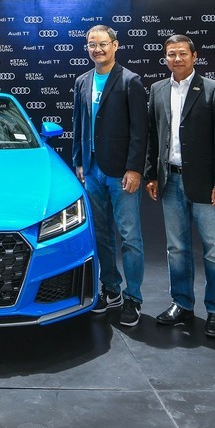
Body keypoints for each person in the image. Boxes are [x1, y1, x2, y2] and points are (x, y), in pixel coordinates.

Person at [145, 34, 215, 338]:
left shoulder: (214, 89)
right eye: (171, 54)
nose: (177, 59)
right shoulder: (157, 89)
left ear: (195, 56)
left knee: (214, 249)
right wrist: (152, 174)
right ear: (165, 58)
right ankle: (181, 304)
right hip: (170, 180)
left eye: (183, 53)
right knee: (177, 248)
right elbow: (153, 135)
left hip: (206, 183)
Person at [73, 25, 147, 327]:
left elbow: (140, 130)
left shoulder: (130, 81)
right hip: (91, 170)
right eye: (92, 44)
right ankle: (111, 289)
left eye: (103, 44)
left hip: (121, 172)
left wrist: (134, 168)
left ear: (115, 45)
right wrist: (79, 161)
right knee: (101, 234)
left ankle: (133, 297)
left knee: (130, 237)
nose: (97, 49)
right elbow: (78, 123)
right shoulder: (82, 81)